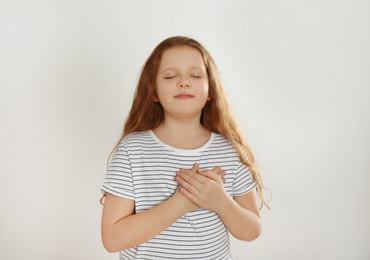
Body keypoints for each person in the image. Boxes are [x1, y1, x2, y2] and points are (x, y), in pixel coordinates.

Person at [101, 36, 268, 259]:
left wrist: (220, 201)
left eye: (196, 75)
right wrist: (182, 203)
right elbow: (113, 240)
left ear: (211, 90)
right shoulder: (132, 150)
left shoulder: (230, 150)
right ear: (153, 91)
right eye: (170, 76)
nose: (184, 82)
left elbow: (251, 231)